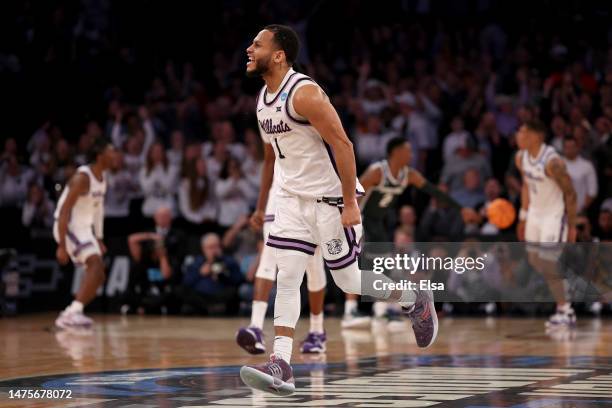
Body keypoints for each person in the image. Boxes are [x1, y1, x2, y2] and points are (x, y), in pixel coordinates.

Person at [240, 25, 441, 396]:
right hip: (290, 201)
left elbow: (343, 144)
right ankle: (281, 363)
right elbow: (273, 157)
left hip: (329, 201)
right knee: (287, 277)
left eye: (257, 44)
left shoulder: (305, 93)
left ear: (280, 54)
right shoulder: (263, 100)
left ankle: (414, 300)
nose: (249, 49)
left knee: (347, 281)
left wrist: (350, 202)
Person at [343, 137, 478, 329]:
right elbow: (351, 193)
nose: (412, 154)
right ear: (395, 152)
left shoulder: (409, 175)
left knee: (382, 264)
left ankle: (381, 310)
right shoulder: (378, 172)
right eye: (408, 151)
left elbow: (434, 191)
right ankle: (350, 311)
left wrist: (460, 209)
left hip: (377, 223)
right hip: (360, 220)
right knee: (356, 264)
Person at [236, 165, 328, 355]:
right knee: (268, 259)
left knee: (313, 264)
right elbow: (269, 160)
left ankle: (317, 330)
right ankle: (255, 326)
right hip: (278, 198)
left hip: (311, 197)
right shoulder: (270, 133)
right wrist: (260, 207)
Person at [516, 120, 578, 328]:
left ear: (536, 136)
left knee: (549, 262)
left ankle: (565, 310)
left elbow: (570, 193)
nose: (518, 135)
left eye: (523, 132)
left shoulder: (553, 162)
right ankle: (564, 284)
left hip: (554, 214)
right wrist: (523, 216)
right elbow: (526, 185)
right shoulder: (520, 157)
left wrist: (573, 225)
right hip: (535, 212)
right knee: (535, 260)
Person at [53, 138, 116, 329]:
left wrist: (99, 237)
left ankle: (73, 311)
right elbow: (64, 211)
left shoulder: (102, 178)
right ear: (100, 156)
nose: (115, 156)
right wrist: (62, 246)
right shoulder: (82, 178)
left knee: (100, 275)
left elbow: (98, 210)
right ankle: (71, 313)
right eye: (111, 152)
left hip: (84, 229)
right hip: (69, 227)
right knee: (95, 265)